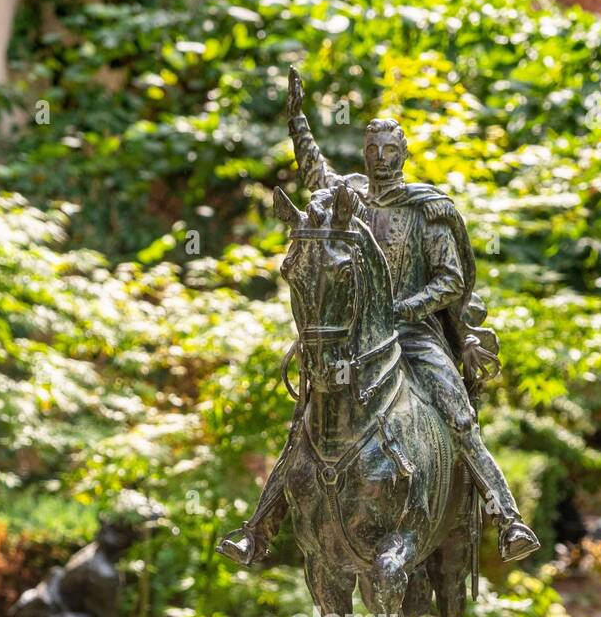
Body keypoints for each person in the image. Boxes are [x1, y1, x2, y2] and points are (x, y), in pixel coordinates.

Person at [219, 66, 539, 568]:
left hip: (413, 333)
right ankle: (258, 529)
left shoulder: (425, 209)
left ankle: (508, 518)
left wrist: (400, 308)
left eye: (390, 151)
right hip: (353, 338)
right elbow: (312, 169)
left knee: (457, 412)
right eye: (373, 151)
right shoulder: (352, 197)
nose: (381, 159)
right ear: (366, 155)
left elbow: (450, 280)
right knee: (306, 417)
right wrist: (296, 119)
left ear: (403, 154)